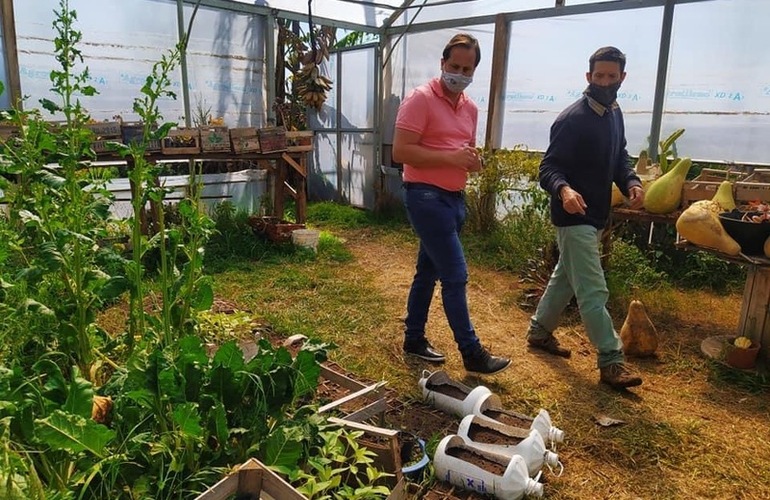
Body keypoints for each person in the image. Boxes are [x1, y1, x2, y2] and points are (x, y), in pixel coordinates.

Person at [392, 33, 511, 376]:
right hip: (425, 197)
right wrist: (451, 157)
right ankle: (471, 352)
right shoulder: (420, 99)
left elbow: (461, 152)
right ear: (442, 64)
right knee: (455, 275)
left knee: (427, 272)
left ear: (475, 70)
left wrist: (471, 162)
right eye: (454, 66)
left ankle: (413, 339)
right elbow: (401, 152)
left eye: (467, 68)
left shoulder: (470, 108)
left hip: (454, 199)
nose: (459, 73)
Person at [527, 46, 645, 389]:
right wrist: (564, 190)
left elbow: (619, 156)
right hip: (573, 215)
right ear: (588, 77)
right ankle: (611, 360)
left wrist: (632, 181)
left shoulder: (614, 113)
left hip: (595, 215)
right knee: (593, 290)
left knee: (565, 277)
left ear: (622, 78)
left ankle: (539, 332)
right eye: (599, 76)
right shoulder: (572, 119)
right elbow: (548, 167)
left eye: (612, 77)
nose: (605, 82)